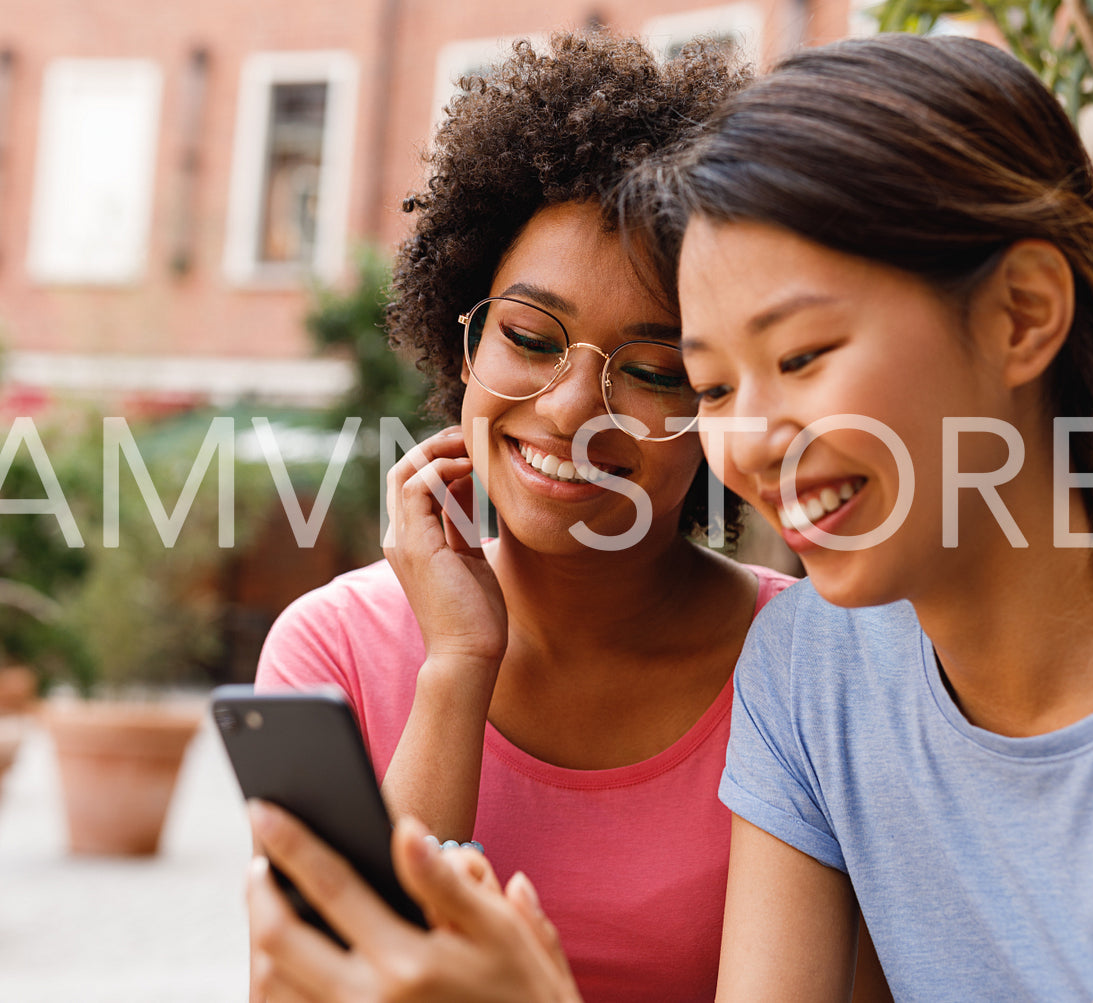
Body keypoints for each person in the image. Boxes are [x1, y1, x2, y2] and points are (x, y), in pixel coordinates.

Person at [640, 32, 1093, 1001]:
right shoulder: (810, 670)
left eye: (798, 356)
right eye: (710, 385)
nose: (748, 441)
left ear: (1020, 314)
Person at [250, 30, 796, 1002]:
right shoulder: (331, 649)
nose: (568, 410)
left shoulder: (808, 663)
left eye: (653, 369)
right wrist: (456, 665)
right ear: (463, 339)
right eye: (529, 337)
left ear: (719, 397)